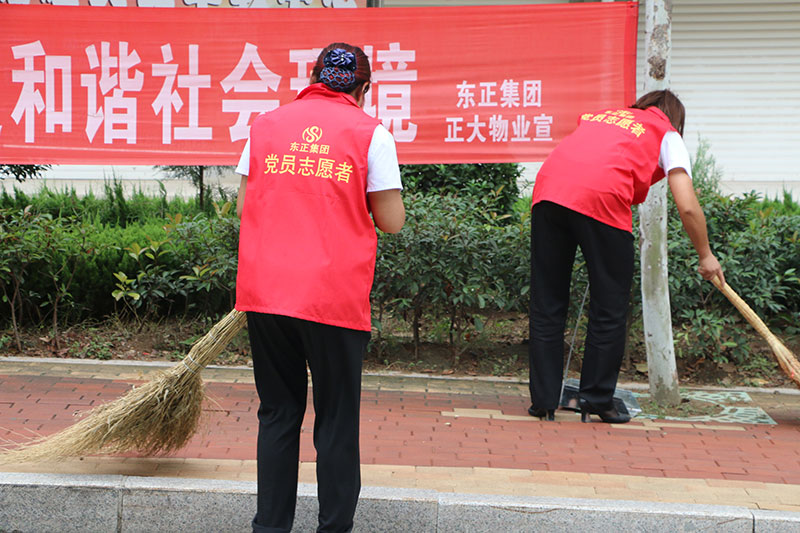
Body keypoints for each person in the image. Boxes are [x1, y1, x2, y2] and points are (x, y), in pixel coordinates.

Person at [234, 43, 405, 532]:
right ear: (363, 88)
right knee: (334, 420)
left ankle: (269, 527)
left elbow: (246, 203)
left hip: (266, 293)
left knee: (279, 413)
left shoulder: (265, 126)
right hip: (332, 298)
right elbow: (391, 221)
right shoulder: (370, 133)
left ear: (313, 79)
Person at [528, 89, 724, 424]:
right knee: (610, 308)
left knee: (547, 302)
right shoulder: (667, 133)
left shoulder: (600, 117)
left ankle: (543, 402)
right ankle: (595, 398)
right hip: (601, 200)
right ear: (676, 119)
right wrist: (706, 255)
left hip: (548, 193)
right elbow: (688, 205)